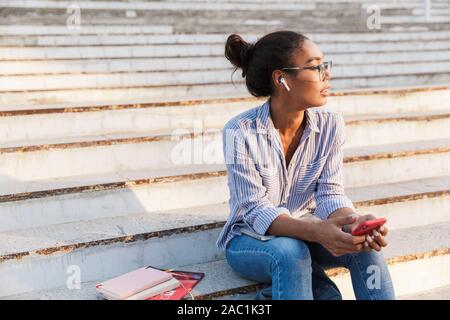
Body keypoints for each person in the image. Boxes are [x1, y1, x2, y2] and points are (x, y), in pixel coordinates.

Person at [215, 31, 395, 300]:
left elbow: (330, 193)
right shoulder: (240, 131)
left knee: (366, 248)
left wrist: (354, 223)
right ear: (281, 79)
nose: (326, 75)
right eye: (314, 67)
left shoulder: (331, 125)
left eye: (325, 65)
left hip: (306, 233)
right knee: (291, 252)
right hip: (250, 241)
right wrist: (315, 231)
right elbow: (255, 211)